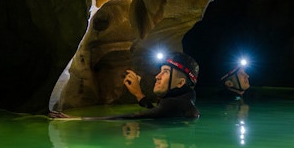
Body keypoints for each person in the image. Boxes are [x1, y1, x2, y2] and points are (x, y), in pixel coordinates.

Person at [49, 51, 200, 121]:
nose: (157, 76)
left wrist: (77, 119)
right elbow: (158, 111)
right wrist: (139, 95)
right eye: (160, 71)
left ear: (180, 82)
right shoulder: (184, 99)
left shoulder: (176, 103)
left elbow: (136, 116)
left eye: (165, 72)